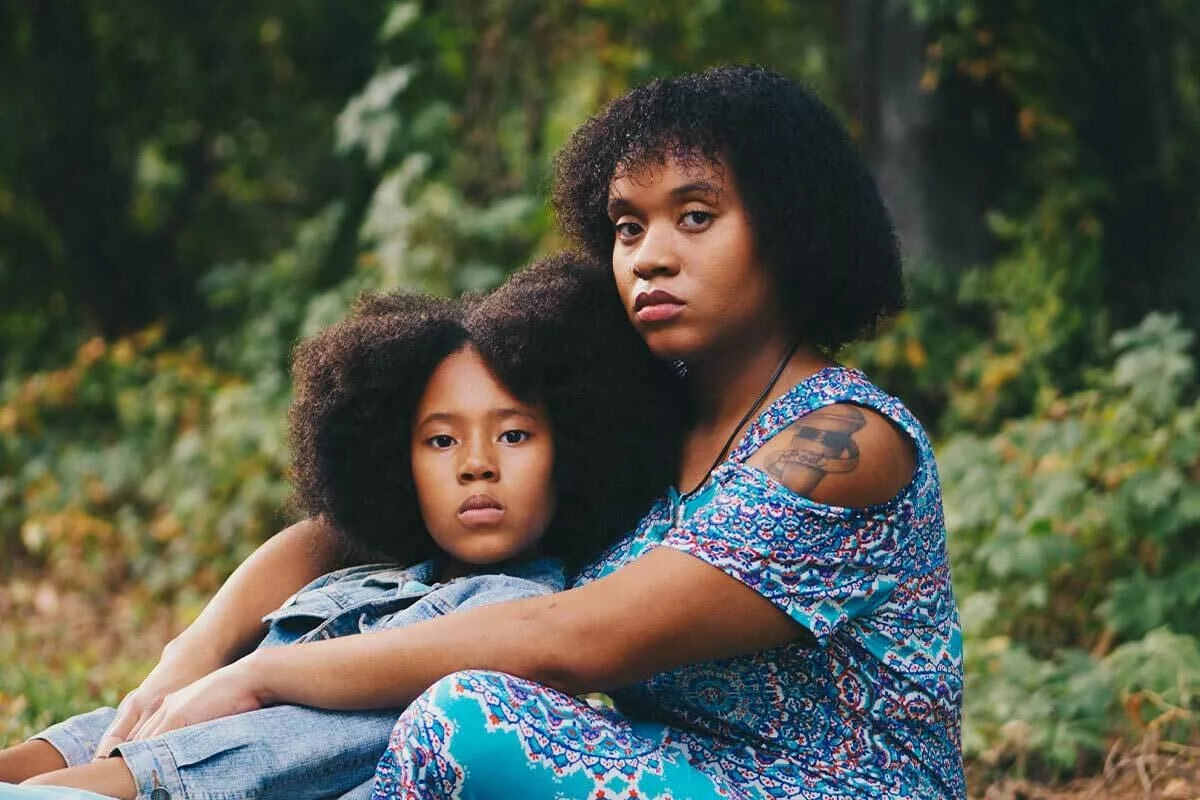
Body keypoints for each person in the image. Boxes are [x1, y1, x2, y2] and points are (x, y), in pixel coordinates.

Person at [5, 64, 965, 799]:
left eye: (697, 217)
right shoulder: (652, 411)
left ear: (795, 231)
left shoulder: (842, 442)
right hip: (671, 766)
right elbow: (347, 529)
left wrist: (263, 679)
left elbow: (576, 639)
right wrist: (200, 652)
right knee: (390, 635)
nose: (651, 256)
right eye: (627, 228)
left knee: (469, 707)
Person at [0, 253, 682, 799]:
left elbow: (296, 741)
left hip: (213, 776)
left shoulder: (522, 612)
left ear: (573, 452)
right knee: (152, 711)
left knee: (342, 720)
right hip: (145, 753)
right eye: (441, 442)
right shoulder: (363, 578)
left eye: (513, 435)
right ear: (396, 462)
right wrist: (195, 655)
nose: (477, 466)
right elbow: (298, 558)